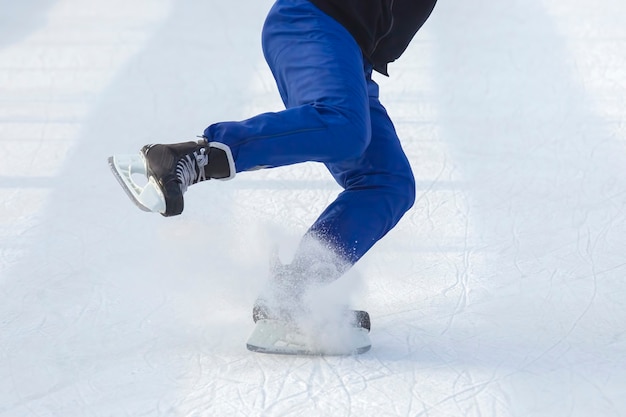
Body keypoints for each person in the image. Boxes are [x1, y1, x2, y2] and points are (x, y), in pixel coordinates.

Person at [112, 0, 437, 319]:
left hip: (351, 56)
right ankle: (191, 157)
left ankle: (293, 290)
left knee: (387, 182)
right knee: (345, 128)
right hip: (313, 21)